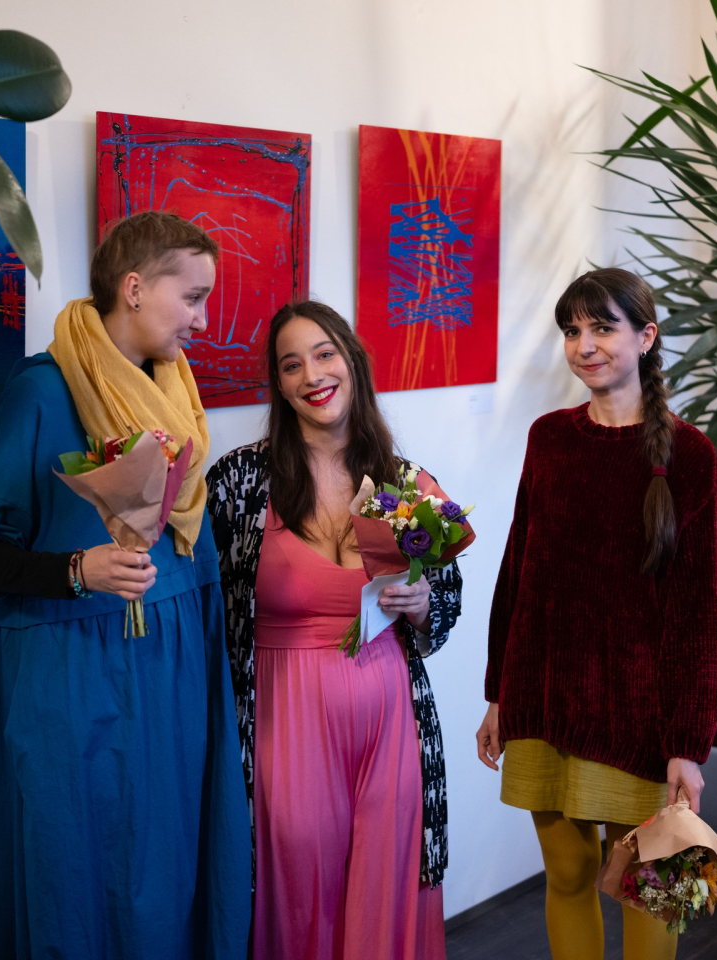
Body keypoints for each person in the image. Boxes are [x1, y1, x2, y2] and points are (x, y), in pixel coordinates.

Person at [0, 210, 252, 959]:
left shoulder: (175, 396)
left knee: (171, 870)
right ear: (135, 288)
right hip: (74, 685)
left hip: (172, 678)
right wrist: (76, 571)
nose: (203, 320)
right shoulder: (41, 394)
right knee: (75, 873)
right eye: (193, 297)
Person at [476, 268, 717, 960]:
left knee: (657, 888)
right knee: (567, 873)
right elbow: (518, 570)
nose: (584, 345)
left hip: (641, 715)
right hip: (543, 699)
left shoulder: (692, 456)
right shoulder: (549, 438)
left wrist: (689, 742)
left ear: (646, 337)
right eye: (572, 330)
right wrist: (498, 693)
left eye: (602, 327)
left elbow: (698, 613)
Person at [206, 300, 462, 960]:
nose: (313, 375)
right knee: (295, 888)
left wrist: (421, 603)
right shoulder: (239, 481)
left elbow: (447, 606)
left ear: (352, 361)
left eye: (325, 354)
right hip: (284, 723)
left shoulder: (406, 482)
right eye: (291, 365)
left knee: (387, 889)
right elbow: (208, 611)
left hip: (393, 728)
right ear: (279, 383)